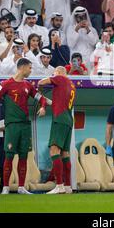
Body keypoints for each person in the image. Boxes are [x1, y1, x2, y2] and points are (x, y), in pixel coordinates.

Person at [0, 58, 47, 195]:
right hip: (12, 126)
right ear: (22, 67)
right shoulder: (6, 84)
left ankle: (21, 187)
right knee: (8, 157)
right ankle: (6, 188)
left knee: (23, 156)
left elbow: (41, 98)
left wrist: (43, 107)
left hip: (25, 126)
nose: (31, 70)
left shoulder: (28, 85)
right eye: (30, 68)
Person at [38, 66, 76, 194]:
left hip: (59, 119)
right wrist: (45, 102)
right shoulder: (71, 85)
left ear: (59, 73)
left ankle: (59, 184)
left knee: (54, 150)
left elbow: (41, 82)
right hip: (68, 120)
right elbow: (58, 103)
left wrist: (39, 90)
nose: (54, 76)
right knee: (65, 153)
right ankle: (68, 186)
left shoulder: (59, 78)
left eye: (54, 73)